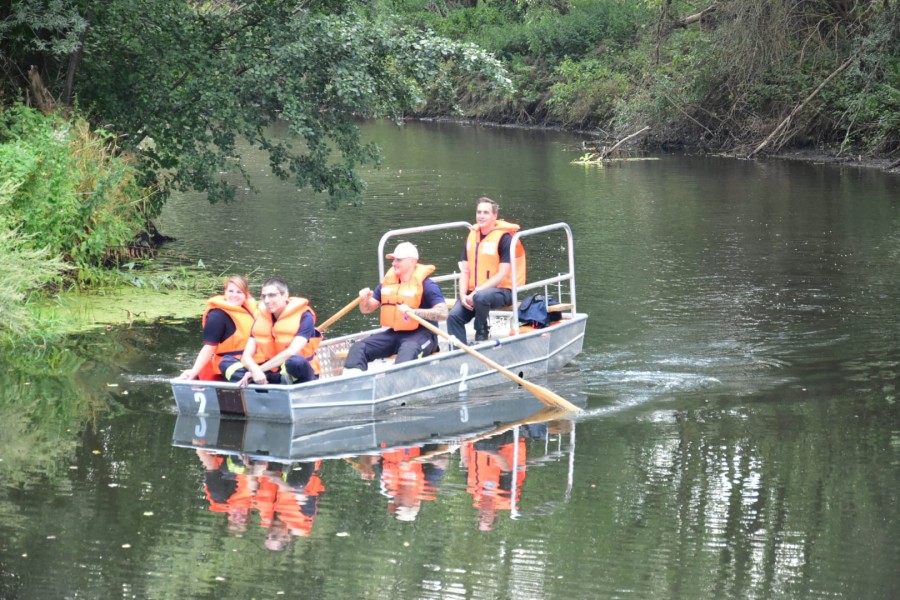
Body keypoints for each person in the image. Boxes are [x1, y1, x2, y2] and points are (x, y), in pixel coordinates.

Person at [343, 242, 448, 374]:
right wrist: (364, 301)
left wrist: (414, 312)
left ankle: (393, 386)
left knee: (408, 351)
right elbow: (367, 309)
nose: (394, 263)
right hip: (395, 334)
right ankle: (354, 385)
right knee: (358, 347)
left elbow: (443, 313)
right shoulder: (388, 283)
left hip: (423, 335)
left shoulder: (427, 285)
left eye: (399, 260)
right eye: (393, 260)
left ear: (412, 261)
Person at [447, 198, 527, 343]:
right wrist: (463, 295)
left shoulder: (505, 238)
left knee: (480, 298)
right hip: (476, 293)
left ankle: (481, 328)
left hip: (503, 291)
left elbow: (502, 274)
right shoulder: (472, 235)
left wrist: (477, 292)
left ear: (494, 216)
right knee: (453, 317)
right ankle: (458, 353)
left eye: (486, 212)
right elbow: (465, 271)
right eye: (479, 212)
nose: (481, 216)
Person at [222, 277, 322, 386]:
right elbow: (246, 356)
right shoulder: (261, 317)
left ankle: (262, 383)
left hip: (299, 374)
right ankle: (266, 382)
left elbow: (291, 352)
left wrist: (259, 370)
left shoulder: (305, 316)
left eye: (272, 295)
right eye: (263, 296)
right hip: (272, 371)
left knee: (295, 361)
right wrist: (255, 370)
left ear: (285, 296)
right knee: (226, 362)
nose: (266, 300)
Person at [176, 275, 260, 381]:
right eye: (231, 291)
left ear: (246, 294)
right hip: (230, 365)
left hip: (254, 361)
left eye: (239, 292)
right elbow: (209, 347)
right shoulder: (217, 316)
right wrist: (194, 371)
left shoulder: (249, 309)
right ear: (225, 292)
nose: (234, 295)